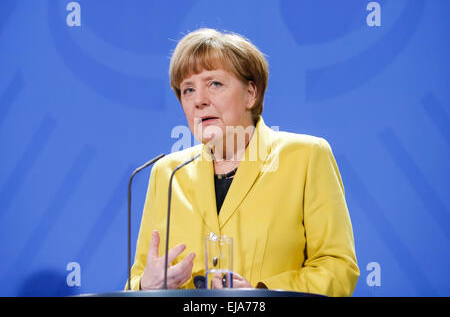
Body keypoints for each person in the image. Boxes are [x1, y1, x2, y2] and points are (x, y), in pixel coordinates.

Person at [127, 28, 359, 296]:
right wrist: (147, 286)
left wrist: (260, 294)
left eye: (214, 84)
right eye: (188, 90)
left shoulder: (305, 156)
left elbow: (338, 269)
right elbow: (137, 278)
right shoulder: (166, 173)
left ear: (251, 93)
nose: (199, 100)